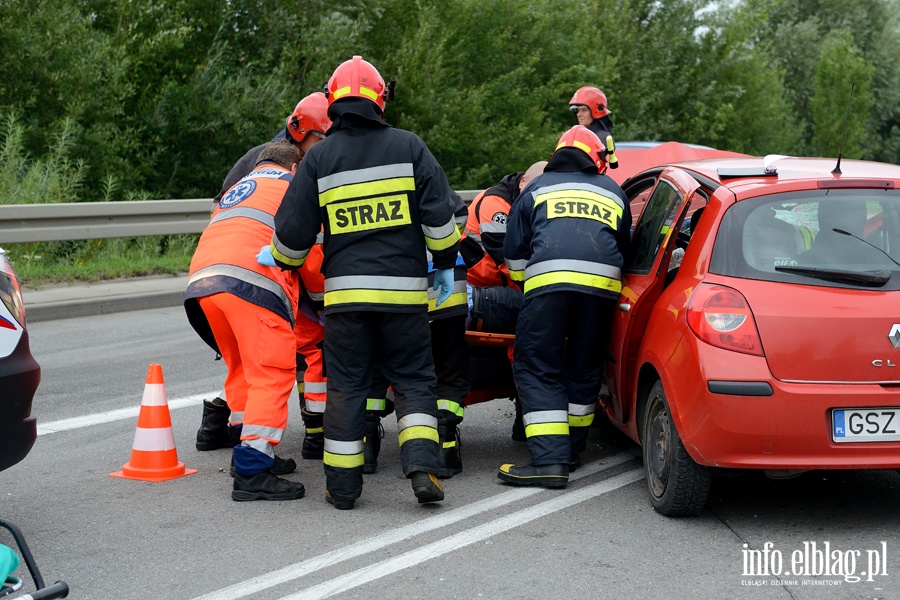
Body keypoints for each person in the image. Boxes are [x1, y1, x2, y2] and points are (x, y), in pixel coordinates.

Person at [263, 55, 461, 510]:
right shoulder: (410, 147)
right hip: (405, 296)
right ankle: (423, 467)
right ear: (380, 99)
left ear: (333, 102)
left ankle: (344, 488)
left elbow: (292, 239)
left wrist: (278, 257)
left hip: (347, 300)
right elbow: (440, 222)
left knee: (348, 386)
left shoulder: (321, 158)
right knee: (413, 380)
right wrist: (446, 264)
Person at [195, 92, 331, 453]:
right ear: (299, 134)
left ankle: (231, 435)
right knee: (293, 356)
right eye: (321, 139)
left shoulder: (255, 163)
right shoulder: (293, 179)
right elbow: (312, 248)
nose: (324, 148)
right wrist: (323, 303)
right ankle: (273, 456)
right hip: (261, 275)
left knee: (243, 363)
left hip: (206, 276)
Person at [498, 125, 631, 489]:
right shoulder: (615, 193)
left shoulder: (537, 188)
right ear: (595, 159)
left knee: (538, 365)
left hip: (548, 291)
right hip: (602, 293)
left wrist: (530, 282)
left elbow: (515, 255)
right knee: (584, 366)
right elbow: (624, 247)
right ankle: (571, 450)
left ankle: (549, 461)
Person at [184, 140, 306, 501]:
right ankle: (253, 472)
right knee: (272, 372)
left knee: (241, 369)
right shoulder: (291, 186)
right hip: (252, 284)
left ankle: (247, 450)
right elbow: (308, 250)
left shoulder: (236, 190)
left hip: (204, 283)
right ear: (294, 167)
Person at [459, 162, 545, 442]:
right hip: (480, 288)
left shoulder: (520, 200)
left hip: (497, 286)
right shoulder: (496, 204)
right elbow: (509, 262)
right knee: (528, 326)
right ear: (523, 184)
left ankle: (526, 419)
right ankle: (528, 419)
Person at [569, 86, 618, 169]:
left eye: (584, 110)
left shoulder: (602, 137)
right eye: (577, 110)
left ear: (595, 111)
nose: (578, 114)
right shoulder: (578, 134)